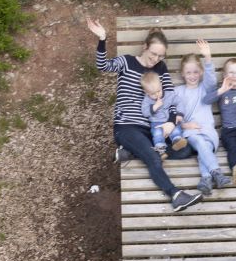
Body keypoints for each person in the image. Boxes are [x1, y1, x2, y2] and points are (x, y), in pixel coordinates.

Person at [86, 17, 202, 211]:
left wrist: (172, 122)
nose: (155, 59)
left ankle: (130, 152)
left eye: (160, 56)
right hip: (127, 126)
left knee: (185, 149)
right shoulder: (127, 62)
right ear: (144, 47)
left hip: (153, 128)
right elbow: (102, 66)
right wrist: (102, 38)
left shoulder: (161, 69)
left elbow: (171, 98)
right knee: (154, 158)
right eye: (153, 53)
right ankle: (175, 195)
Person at [170, 41, 232, 197]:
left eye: (196, 72)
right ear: (182, 74)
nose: (192, 76)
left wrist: (208, 58)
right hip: (191, 132)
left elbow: (211, 80)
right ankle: (216, 172)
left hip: (209, 131)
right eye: (189, 73)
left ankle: (206, 179)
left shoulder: (205, 88)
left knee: (204, 148)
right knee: (199, 142)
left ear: (201, 72)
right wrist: (185, 126)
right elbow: (174, 115)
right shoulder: (178, 92)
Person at [139, 70, 175, 154]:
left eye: (158, 91)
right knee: (157, 134)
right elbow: (145, 112)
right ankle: (160, 150)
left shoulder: (166, 95)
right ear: (146, 93)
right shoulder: (147, 100)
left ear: (161, 85)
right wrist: (155, 107)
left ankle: (177, 140)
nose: (157, 95)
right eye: (153, 93)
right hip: (156, 123)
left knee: (176, 129)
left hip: (168, 121)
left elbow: (176, 102)